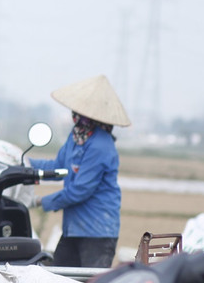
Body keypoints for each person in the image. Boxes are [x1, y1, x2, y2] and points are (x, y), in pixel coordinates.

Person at [29, 74, 129, 269]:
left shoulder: (101, 145)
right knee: (57, 280)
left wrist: (40, 201)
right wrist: (23, 162)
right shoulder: (76, 137)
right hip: (73, 229)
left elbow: (80, 190)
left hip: (97, 232)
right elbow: (58, 167)